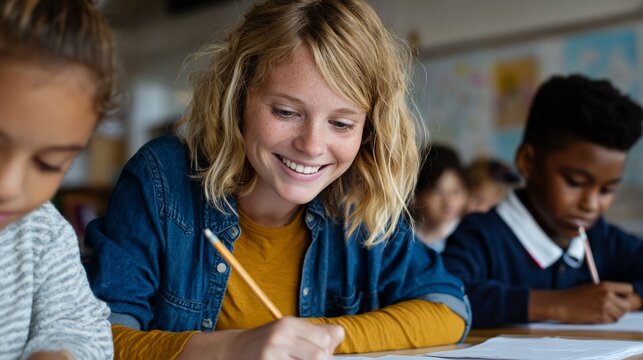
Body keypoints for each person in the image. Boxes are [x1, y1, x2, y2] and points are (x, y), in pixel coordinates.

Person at [86, 0, 470, 358]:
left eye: (341, 123)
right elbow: (101, 340)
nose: (312, 145)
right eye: (286, 112)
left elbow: (449, 308)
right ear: (237, 99)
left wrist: (316, 337)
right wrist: (233, 349)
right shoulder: (162, 180)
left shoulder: (358, 199)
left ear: (367, 129)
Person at [442, 74, 643, 328]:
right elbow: (446, 298)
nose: (592, 204)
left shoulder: (599, 237)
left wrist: (631, 299)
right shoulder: (480, 236)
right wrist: (557, 304)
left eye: (607, 190)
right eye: (575, 182)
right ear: (527, 161)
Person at [0, 0, 115, 358]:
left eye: (49, 164)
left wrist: (60, 353)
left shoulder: (42, 232)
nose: (8, 186)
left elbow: (81, 327)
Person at [412, 144, 468, 252]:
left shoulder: (467, 237)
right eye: (437, 192)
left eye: (455, 192)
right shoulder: (406, 239)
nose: (449, 202)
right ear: (416, 195)